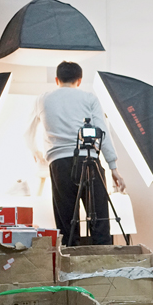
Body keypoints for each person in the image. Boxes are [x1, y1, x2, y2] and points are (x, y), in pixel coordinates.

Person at [25, 61, 126, 246]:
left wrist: (35, 151)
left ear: (57, 80)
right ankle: (103, 260)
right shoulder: (89, 99)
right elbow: (103, 132)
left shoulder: (42, 99)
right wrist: (113, 167)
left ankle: (69, 260)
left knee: (67, 223)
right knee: (99, 220)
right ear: (79, 80)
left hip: (58, 163)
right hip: (89, 160)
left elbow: (28, 132)